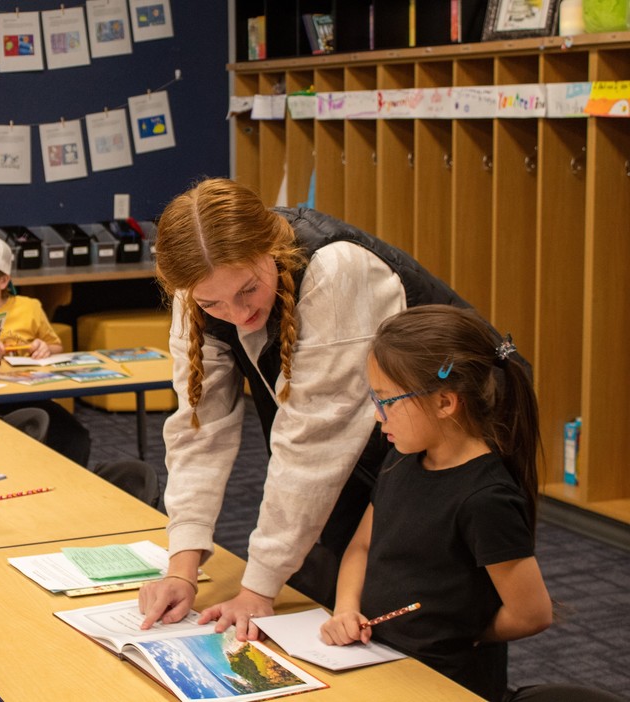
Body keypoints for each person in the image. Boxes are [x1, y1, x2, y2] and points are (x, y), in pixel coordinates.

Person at [139, 177, 495, 637]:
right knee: (331, 604)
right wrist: (181, 566)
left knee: (424, 614)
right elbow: (197, 429)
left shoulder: (335, 269)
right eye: (214, 303)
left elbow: (314, 442)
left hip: (449, 441)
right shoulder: (197, 291)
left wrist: (258, 589)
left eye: (249, 289)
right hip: (374, 436)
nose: (238, 312)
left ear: (270, 248)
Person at [318, 305, 551, 701]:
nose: (378, 417)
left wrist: (461, 632)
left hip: (444, 681)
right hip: (380, 658)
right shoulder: (403, 457)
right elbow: (361, 547)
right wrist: (345, 609)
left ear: (445, 402)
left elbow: (532, 613)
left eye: (388, 401)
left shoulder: (485, 498)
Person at [0, 234, 92, 466]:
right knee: (7, 446)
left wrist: (44, 348)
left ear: (4, 280)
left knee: (75, 437)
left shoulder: (29, 308)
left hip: (28, 397)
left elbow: (56, 346)